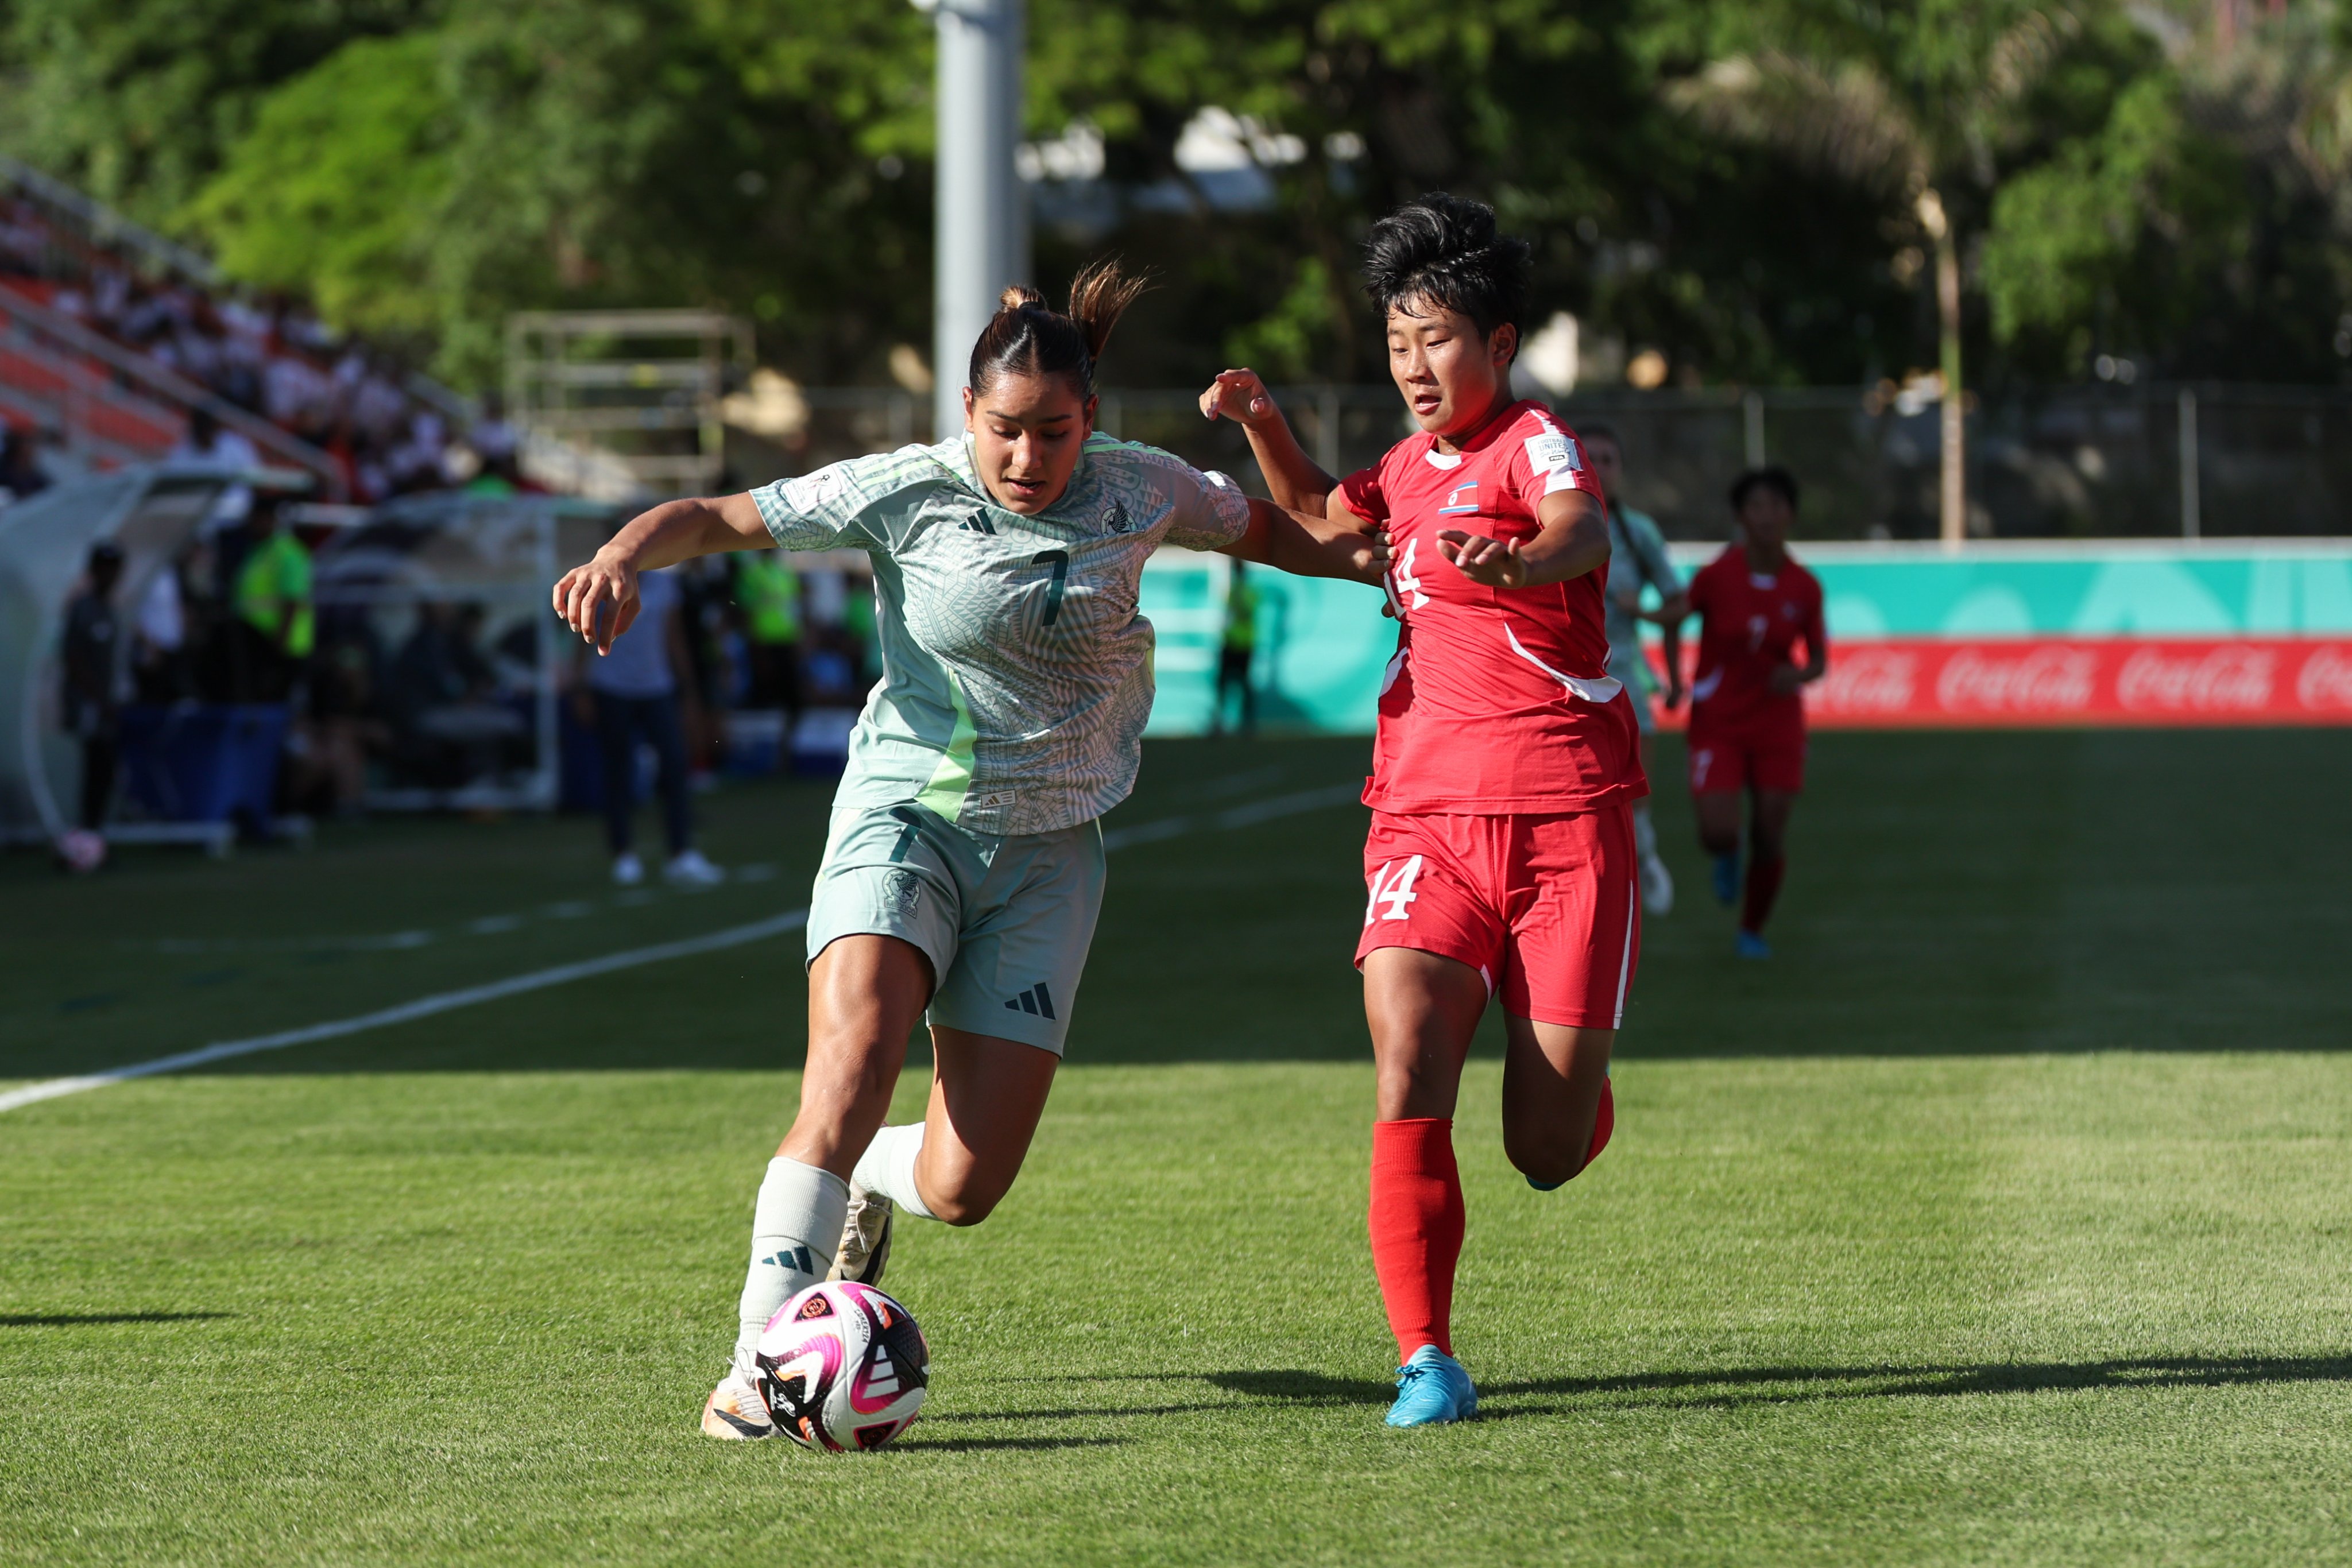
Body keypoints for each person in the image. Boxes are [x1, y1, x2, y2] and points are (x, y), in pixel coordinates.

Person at [552, 262, 1383, 1442]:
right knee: (845, 1069)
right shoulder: (903, 491)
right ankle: (759, 1360)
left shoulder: (1144, 490)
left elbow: (1288, 538)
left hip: (1050, 852)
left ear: (1090, 420)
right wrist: (625, 553)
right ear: (965, 413)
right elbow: (723, 517)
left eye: (1053, 431)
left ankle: (867, 1193)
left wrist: (1400, 563)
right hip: (906, 816)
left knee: (962, 1187)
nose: (1026, 457)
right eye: (1003, 431)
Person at [1201, 195, 1641, 1427]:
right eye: (1397, 345)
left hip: (1567, 822)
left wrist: (1528, 559)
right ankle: (1426, 1358)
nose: (1413, 366)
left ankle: (1577, 1078)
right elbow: (1323, 525)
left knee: (1543, 1153)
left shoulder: (1534, 441)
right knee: (1405, 1056)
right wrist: (1260, 424)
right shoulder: (1399, 470)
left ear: (1497, 346)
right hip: (1423, 822)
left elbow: (1578, 522)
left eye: (1436, 340)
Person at [1680, 466, 1827, 958]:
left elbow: (1819, 660)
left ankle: (1752, 929)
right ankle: (1727, 853)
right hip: (1718, 720)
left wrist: (1798, 676)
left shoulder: (1804, 586)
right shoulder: (1716, 575)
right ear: (1741, 516)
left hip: (1777, 723)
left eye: (1777, 505)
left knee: (1771, 828)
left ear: (1791, 514)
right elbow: (1678, 614)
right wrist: (1636, 614)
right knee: (1717, 830)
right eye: (1756, 506)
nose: (1767, 516)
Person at [1583, 425, 1686, 915]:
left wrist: (1642, 615)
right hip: (1566, 680)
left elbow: (1677, 602)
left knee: (1633, 784)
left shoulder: (1636, 531)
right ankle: (1594, 883)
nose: (1600, 468)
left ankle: (1644, 860)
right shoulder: (1541, 523)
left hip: (1625, 678)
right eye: (1590, 457)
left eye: (1609, 459)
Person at [576, 563, 722, 888]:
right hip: (611, 686)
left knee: (674, 765)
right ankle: (623, 853)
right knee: (619, 770)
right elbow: (582, 634)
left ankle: (681, 852)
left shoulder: (664, 585)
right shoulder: (598, 581)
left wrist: (688, 692)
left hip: (657, 686)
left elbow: (674, 638)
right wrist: (581, 685)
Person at [61, 541, 125, 833]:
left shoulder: (108, 609)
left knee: (104, 770)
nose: (110, 574)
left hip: (103, 705)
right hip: (89, 706)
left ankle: (94, 833)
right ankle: (88, 835)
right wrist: (98, 699)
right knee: (95, 768)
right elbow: (73, 658)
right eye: (105, 567)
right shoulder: (84, 608)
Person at [227, 499, 313, 703]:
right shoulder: (257, 550)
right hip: (257, 643)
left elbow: (292, 600)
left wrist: (281, 641)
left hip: (283, 645)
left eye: (258, 519)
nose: (253, 524)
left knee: (275, 700)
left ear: (272, 520)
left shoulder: (289, 552)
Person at [1212, 559, 1260, 736]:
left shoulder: (1247, 592)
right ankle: (1220, 722)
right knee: (1223, 685)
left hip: (1243, 645)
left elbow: (1246, 613)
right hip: (1232, 643)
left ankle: (1248, 724)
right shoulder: (1234, 591)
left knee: (1243, 684)